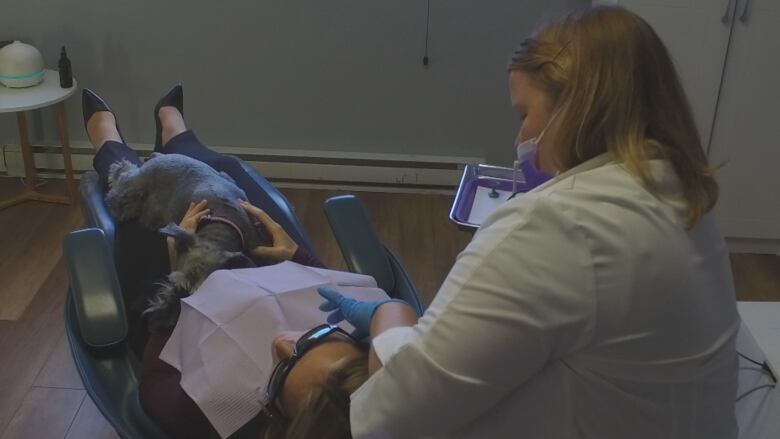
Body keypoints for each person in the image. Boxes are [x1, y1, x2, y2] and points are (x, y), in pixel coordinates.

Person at [319, 6, 740, 439]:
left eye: (525, 115)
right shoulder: (683, 195)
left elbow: (395, 415)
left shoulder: (553, 225)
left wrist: (389, 313)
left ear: (579, 105)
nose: (521, 141)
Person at [82, 85, 380, 439]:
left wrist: (180, 279)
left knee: (139, 216)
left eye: (281, 372)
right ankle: (176, 136)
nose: (283, 343)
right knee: (226, 178)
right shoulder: (381, 381)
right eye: (316, 336)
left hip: (179, 323)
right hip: (263, 279)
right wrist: (299, 259)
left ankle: (109, 145)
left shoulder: (200, 415)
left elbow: (153, 385)